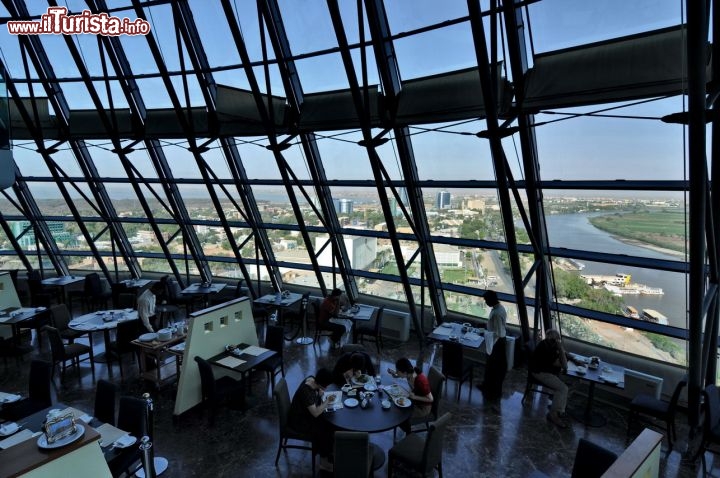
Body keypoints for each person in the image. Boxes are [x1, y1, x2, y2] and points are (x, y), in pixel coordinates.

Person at [288, 368, 336, 472]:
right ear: (324, 385)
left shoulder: (311, 379)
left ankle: (328, 451)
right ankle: (324, 463)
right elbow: (315, 413)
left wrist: (319, 392)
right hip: (299, 422)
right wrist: (327, 401)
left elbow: (315, 392)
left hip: (303, 415)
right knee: (325, 429)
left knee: (327, 425)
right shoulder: (306, 391)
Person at [530, 328, 579, 428]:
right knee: (563, 388)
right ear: (554, 340)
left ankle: (558, 402)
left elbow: (564, 353)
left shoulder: (549, 344)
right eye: (558, 339)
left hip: (550, 371)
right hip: (541, 373)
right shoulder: (547, 349)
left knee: (576, 380)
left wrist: (574, 359)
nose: (559, 341)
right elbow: (564, 366)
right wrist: (560, 348)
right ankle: (553, 415)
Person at [388, 358, 433, 434]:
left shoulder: (421, 381)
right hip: (415, 400)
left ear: (405, 372)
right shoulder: (411, 371)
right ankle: (405, 428)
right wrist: (394, 373)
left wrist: (414, 397)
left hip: (422, 407)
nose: (397, 372)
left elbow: (431, 399)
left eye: (398, 371)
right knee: (395, 405)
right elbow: (401, 375)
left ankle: (408, 435)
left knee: (400, 414)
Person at [478, 290, 507, 400]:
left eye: (486, 300)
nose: (485, 302)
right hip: (498, 341)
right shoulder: (499, 308)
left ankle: (491, 390)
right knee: (492, 367)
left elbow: (498, 333)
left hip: (497, 343)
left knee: (493, 367)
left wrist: (485, 333)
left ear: (490, 300)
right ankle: (488, 387)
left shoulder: (496, 313)